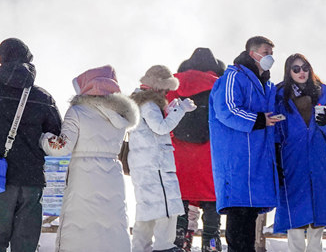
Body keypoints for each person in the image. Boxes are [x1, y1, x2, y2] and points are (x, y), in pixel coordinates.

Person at [41, 65, 140, 252]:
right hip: (112, 174)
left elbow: (61, 147)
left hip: (83, 176)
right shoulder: (120, 116)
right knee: (111, 225)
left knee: (79, 227)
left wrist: (43, 138)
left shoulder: (78, 112)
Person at [209, 36, 279, 252]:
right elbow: (227, 110)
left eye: (272, 54)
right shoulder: (233, 77)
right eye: (266, 52)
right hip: (237, 161)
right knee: (238, 222)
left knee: (248, 222)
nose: (270, 57)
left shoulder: (266, 84)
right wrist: (259, 120)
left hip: (256, 163)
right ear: (253, 53)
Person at [273, 54, 326, 251]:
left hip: (318, 160)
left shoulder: (323, 93)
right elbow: (275, 132)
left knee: (317, 220)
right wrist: (277, 160)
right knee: (294, 220)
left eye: (305, 67)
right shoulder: (279, 96)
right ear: (288, 72)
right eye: (296, 69)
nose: (301, 72)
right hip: (291, 161)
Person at [0, 38, 63, 252]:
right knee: (26, 245)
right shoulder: (42, 97)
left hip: (0, 180)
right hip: (31, 181)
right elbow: (56, 136)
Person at [129, 65, 196, 252]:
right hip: (156, 166)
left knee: (147, 209)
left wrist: (170, 110)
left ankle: (140, 247)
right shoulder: (149, 105)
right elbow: (160, 128)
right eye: (166, 89)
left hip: (144, 165)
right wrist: (180, 110)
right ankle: (164, 247)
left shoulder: (138, 102)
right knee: (167, 209)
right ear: (158, 86)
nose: (167, 93)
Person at [168, 48, 225, 251]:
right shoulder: (221, 85)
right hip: (210, 156)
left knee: (181, 205)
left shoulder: (173, 85)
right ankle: (211, 243)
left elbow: (165, 119)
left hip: (180, 158)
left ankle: (180, 241)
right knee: (211, 204)